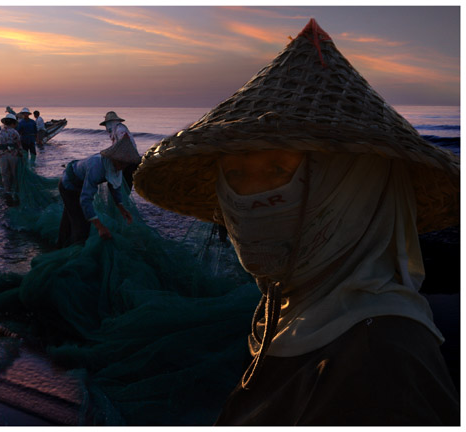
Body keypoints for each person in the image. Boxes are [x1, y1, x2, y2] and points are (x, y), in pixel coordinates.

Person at [132, 19, 459, 425]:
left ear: (351, 187)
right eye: (235, 176)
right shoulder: (306, 311)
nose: (251, 198)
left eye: (277, 170)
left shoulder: (382, 363)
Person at [57, 117, 140, 248]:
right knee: (82, 225)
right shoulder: (97, 167)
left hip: (80, 184)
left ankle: (61, 245)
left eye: (126, 164)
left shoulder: (117, 166)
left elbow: (115, 187)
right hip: (68, 186)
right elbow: (85, 199)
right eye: (123, 163)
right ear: (115, 158)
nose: (124, 167)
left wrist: (121, 208)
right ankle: (74, 253)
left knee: (70, 217)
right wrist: (100, 226)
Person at [100, 111, 140, 191]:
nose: (107, 127)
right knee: (122, 183)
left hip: (128, 161)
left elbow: (124, 143)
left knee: (122, 183)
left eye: (107, 124)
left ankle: (120, 201)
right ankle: (120, 201)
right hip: (127, 160)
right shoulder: (116, 130)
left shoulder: (120, 129)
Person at [0, 113, 23, 206]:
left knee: (5, 173)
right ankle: (15, 190)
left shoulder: (0, 133)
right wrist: (21, 154)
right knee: (14, 173)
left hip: (3, 156)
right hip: (13, 155)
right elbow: (19, 145)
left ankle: (7, 190)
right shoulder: (14, 132)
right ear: (13, 123)